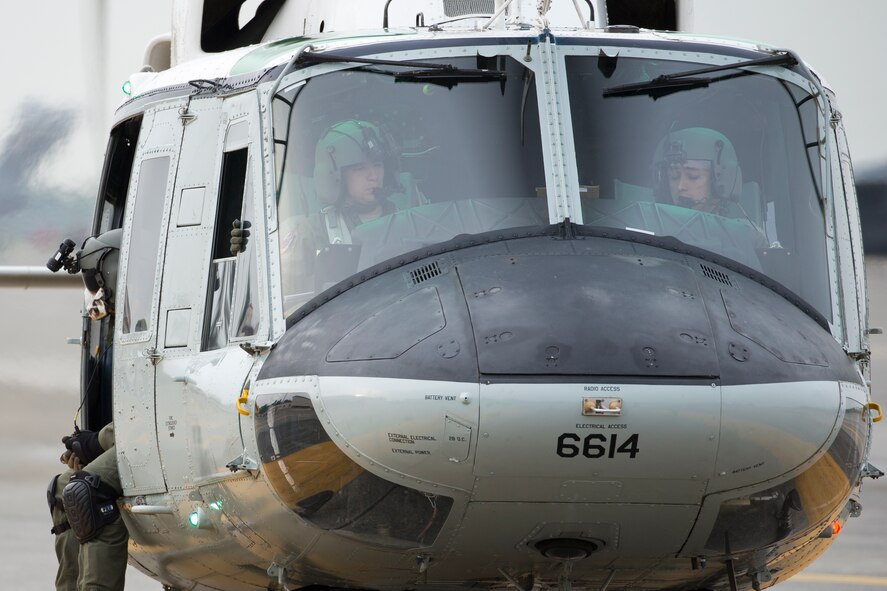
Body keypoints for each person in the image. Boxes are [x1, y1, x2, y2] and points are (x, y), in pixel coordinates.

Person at [312, 119, 422, 244]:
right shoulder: (314, 233)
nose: (374, 176)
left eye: (378, 165)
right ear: (333, 176)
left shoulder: (413, 214)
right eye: (360, 168)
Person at [48, 423, 127, 591]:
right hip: (129, 437)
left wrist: (91, 443)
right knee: (62, 490)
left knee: (88, 492)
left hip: (159, 437)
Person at [652, 127, 743, 215]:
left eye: (693, 176)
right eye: (674, 176)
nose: (680, 186)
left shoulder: (743, 230)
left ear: (722, 182)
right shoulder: (650, 224)